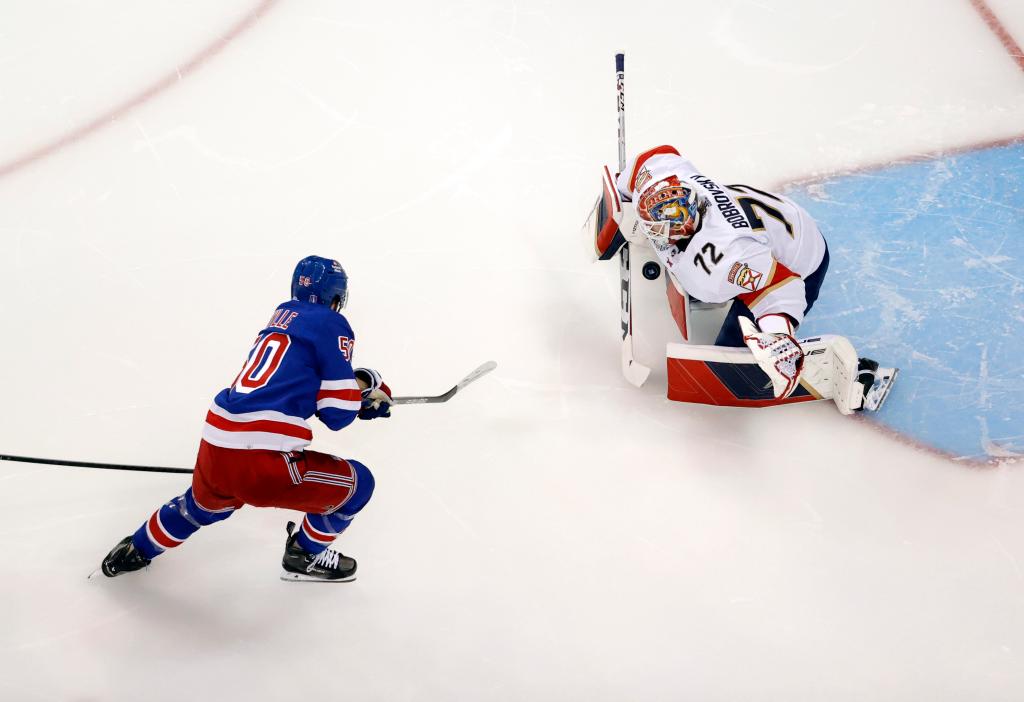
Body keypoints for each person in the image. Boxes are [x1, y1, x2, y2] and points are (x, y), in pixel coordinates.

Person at [100, 255, 393, 582]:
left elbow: (298, 383)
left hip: (217, 441)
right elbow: (337, 413)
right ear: (337, 296)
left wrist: (359, 389)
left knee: (198, 507)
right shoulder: (331, 322)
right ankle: (303, 556)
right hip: (263, 460)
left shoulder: (282, 316)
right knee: (360, 484)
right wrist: (360, 395)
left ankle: (135, 548)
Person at [617, 145, 830, 397]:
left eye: (669, 223)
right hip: (773, 221)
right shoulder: (669, 179)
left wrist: (778, 337)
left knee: (732, 368)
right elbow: (651, 158)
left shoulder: (728, 256)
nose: (665, 233)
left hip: (800, 256)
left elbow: (781, 285)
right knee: (719, 280)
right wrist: (622, 193)